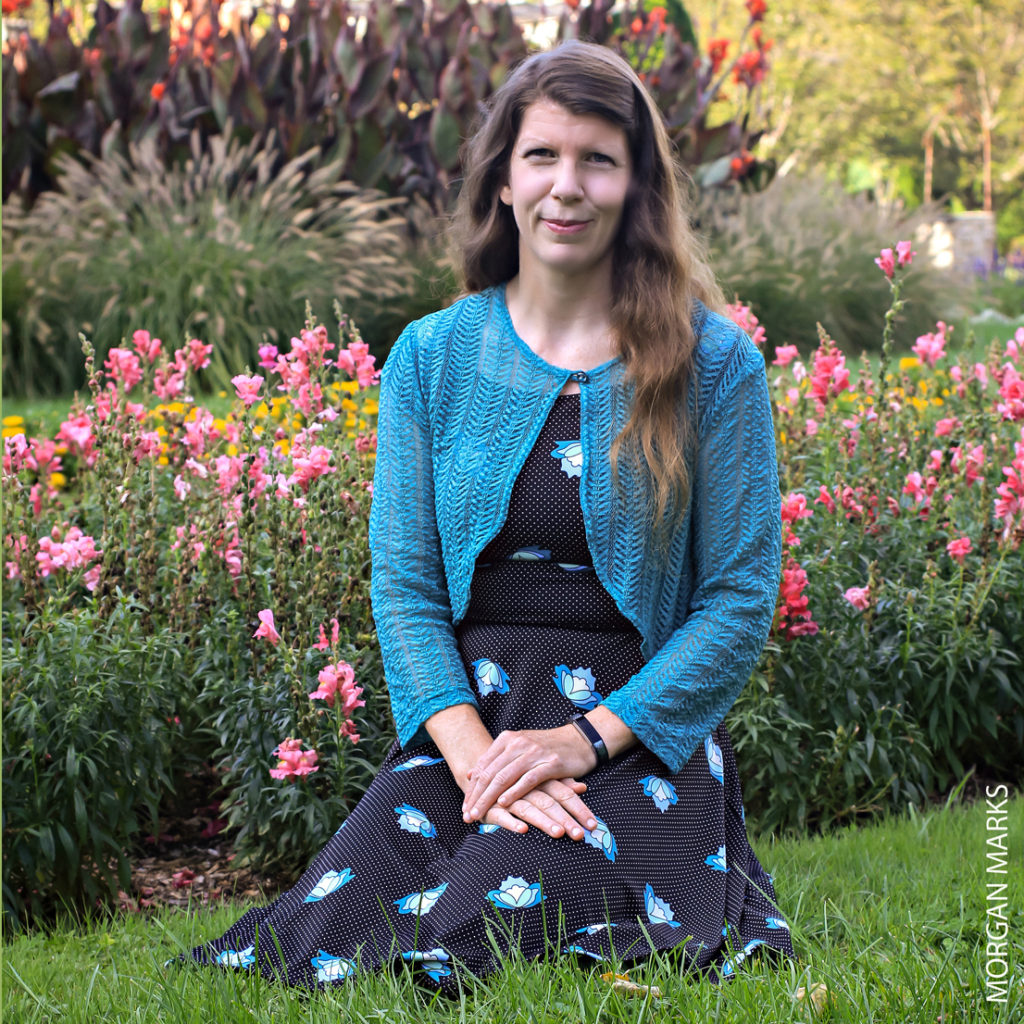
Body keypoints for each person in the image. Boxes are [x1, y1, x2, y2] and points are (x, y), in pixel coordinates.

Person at [187, 39, 793, 990]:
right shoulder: (431, 357)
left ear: (637, 187)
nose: (568, 186)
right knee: (338, 916)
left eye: (599, 159)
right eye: (543, 156)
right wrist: (477, 760)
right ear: (504, 181)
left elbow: (739, 598)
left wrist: (577, 742)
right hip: (478, 721)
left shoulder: (715, 367)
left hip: (635, 727)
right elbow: (407, 588)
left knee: (487, 911)